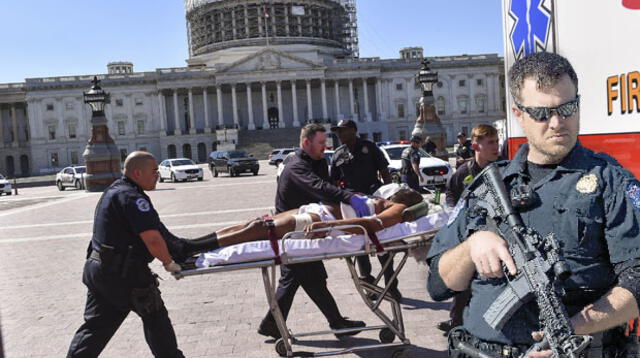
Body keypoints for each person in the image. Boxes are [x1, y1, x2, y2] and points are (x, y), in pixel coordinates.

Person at [426, 52, 640, 357]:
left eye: (567, 108)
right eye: (541, 113)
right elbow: (439, 284)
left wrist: (571, 328)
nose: (557, 123)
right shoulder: (488, 184)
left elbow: (638, 277)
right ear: (519, 113)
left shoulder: (610, 181)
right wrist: (473, 245)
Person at [67, 151, 197, 358]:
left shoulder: (114, 190)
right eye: (154, 171)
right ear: (137, 173)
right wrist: (169, 263)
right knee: (157, 321)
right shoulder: (131, 197)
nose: (157, 175)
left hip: (99, 269)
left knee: (95, 329)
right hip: (125, 275)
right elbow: (153, 239)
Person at [257, 123, 369, 340]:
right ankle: (336, 323)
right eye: (321, 142)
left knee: (295, 280)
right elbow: (319, 187)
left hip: (305, 229)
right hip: (293, 233)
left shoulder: (318, 162)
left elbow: (328, 189)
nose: (325, 146)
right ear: (306, 143)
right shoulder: (297, 166)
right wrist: (349, 198)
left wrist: (352, 195)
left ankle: (271, 323)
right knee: (313, 278)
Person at [437, 124, 500, 335]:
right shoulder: (464, 172)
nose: (496, 146)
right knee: (463, 281)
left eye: (497, 141)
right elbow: (451, 196)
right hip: (470, 237)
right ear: (476, 145)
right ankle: (456, 321)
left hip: (498, 235)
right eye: (490, 142)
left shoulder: (504, 168)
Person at [330, 119, 402, 301]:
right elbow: (333, 183)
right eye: (337, 132)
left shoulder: (369, 147)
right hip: (352, 204)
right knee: (360, 245)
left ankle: (391, 285)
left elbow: (384, 172)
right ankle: (369, 286)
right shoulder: (338, 154)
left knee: (382, 243)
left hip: (374, 200)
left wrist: (389, 196)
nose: (339, 135)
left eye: (343, 131)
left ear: (353, 130)